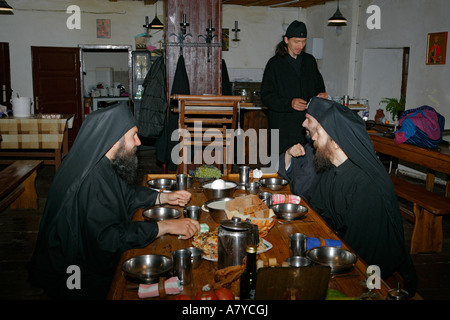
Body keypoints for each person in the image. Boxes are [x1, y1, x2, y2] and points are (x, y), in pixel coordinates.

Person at [27, 104, 200, 300]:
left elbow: (125, 194)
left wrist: (162, 197)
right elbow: (107, 239)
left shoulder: (101, 161)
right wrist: (165, 226)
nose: (138, 142)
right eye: (133, 135)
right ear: (112, 140)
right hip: (75, 276)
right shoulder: (92, 179)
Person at [287, 97, 418, 296]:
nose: (313, 138)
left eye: (319, 133)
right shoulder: (331, 170)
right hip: (344, 247)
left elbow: (362, 255)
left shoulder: (366, 187)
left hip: (372, 271)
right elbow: (318, 210)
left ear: (337, 143)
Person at [261, 20, 328, 154]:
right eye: (296, 41)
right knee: (281, 164)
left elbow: (318, 86)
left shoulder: (310, 61)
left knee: (306, 166)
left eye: (303, 41)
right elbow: (266, 96)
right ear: (286, 40)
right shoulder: (274, 64)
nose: (300, 45)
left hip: (307, 126)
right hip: (282, 126)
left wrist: (321, 94)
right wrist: (289, 103)